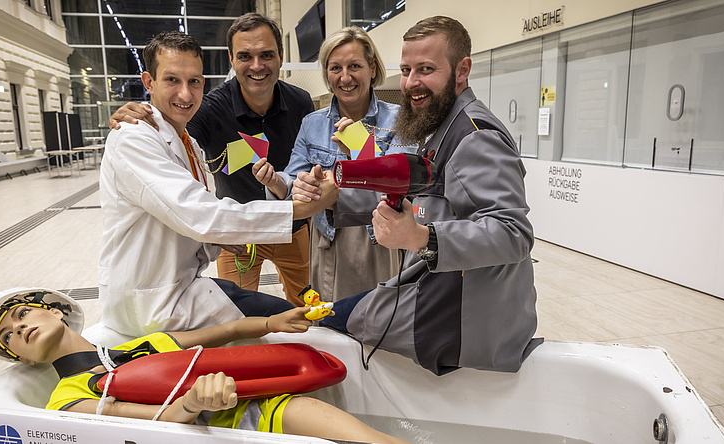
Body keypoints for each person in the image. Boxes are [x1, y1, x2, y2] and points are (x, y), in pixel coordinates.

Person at [297, 16, 542, 375]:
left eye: (426, 69)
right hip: (437, 290)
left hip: (460, 316)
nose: (411, 83)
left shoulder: (475, 136)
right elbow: (423, 195)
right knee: (335, 314)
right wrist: (334, 198)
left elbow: (512, 233)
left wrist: (421, 237)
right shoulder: (440, 126)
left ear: (462, 70)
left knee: (326, 323)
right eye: (407, 70)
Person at [99, 31, 334, 338]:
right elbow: (196, 212)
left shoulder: (187, 141)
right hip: (153, 300)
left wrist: (217, 238)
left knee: (301, 313)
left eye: (194, 81)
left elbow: (183, 210)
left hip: (234, 242)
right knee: (282, 327)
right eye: (172, 80)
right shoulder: (138, 136)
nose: (185, 94)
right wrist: (301, 207)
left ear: (280, 57)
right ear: (148, 83)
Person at [0, 287, 409, 444]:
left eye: (21, 315)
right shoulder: (66, 397)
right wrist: (193, 402)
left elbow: (221, 334)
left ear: (54, 310)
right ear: (21, 358)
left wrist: (274, 322)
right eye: (9, 338)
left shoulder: (140, 346)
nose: (19, 330)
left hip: (258, 410)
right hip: (210, 431)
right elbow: (149, 420)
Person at [253, 27, 411, 303]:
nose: (345, 77)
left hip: (379, 241)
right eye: (335, 67)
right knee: (329, 322)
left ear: (372, 68)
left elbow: (405, 185)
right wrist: (277, 183)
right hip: (327, 239)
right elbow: (293, 182)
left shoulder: (399, 120)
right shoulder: (312, 123)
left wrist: (362, 148)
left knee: (378, 323)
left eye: (355, 66)